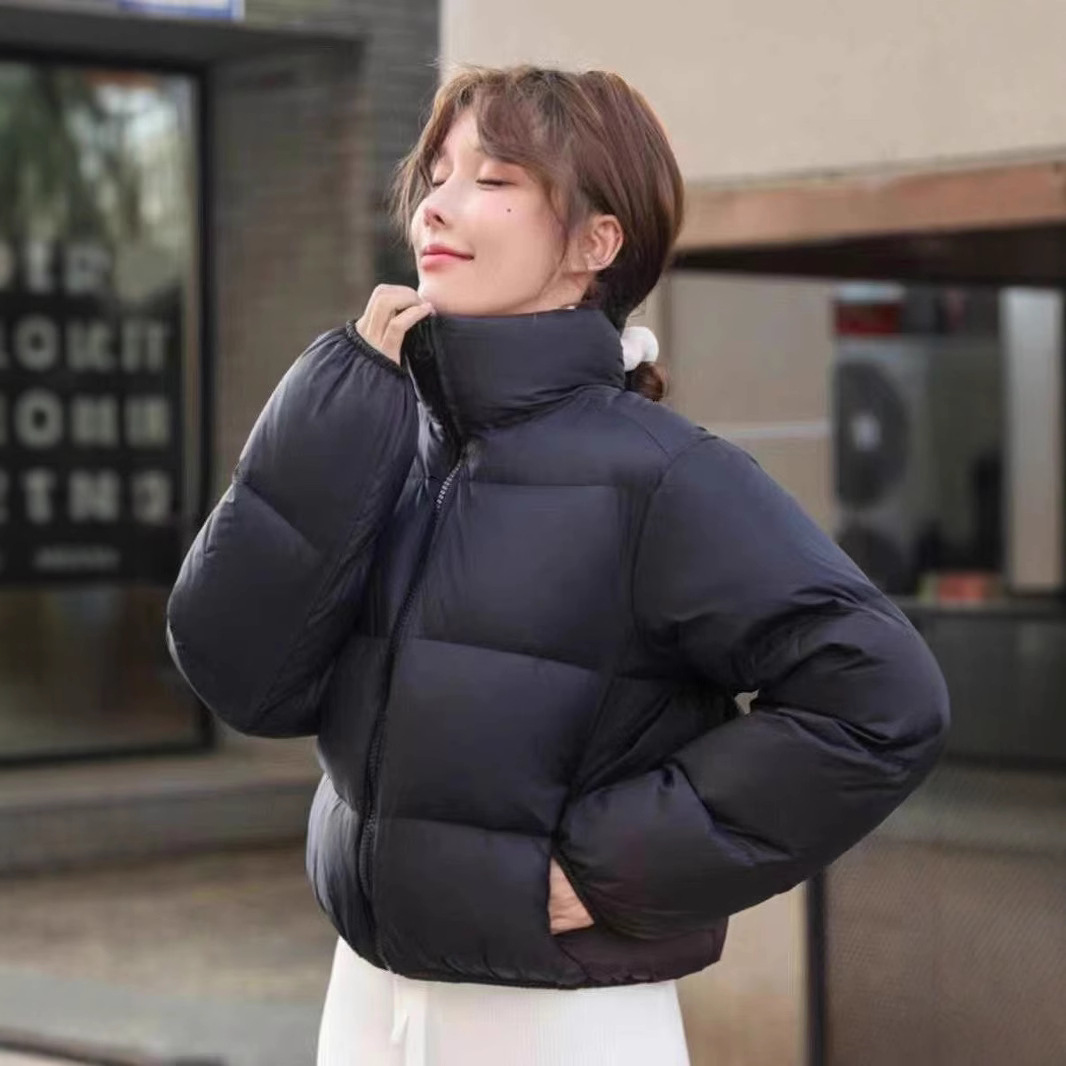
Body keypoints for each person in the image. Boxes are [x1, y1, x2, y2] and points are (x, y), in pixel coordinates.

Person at [166, 66, 950, 1066]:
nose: (437, 207)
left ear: (594, 243)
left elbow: (881, 697)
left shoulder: (663, 476)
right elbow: (243, 679)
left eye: (494, 180)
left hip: (553, 1017)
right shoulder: (383, 432)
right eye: (436, 176)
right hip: (364, 992)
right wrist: (331, 413)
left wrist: (617, 861)